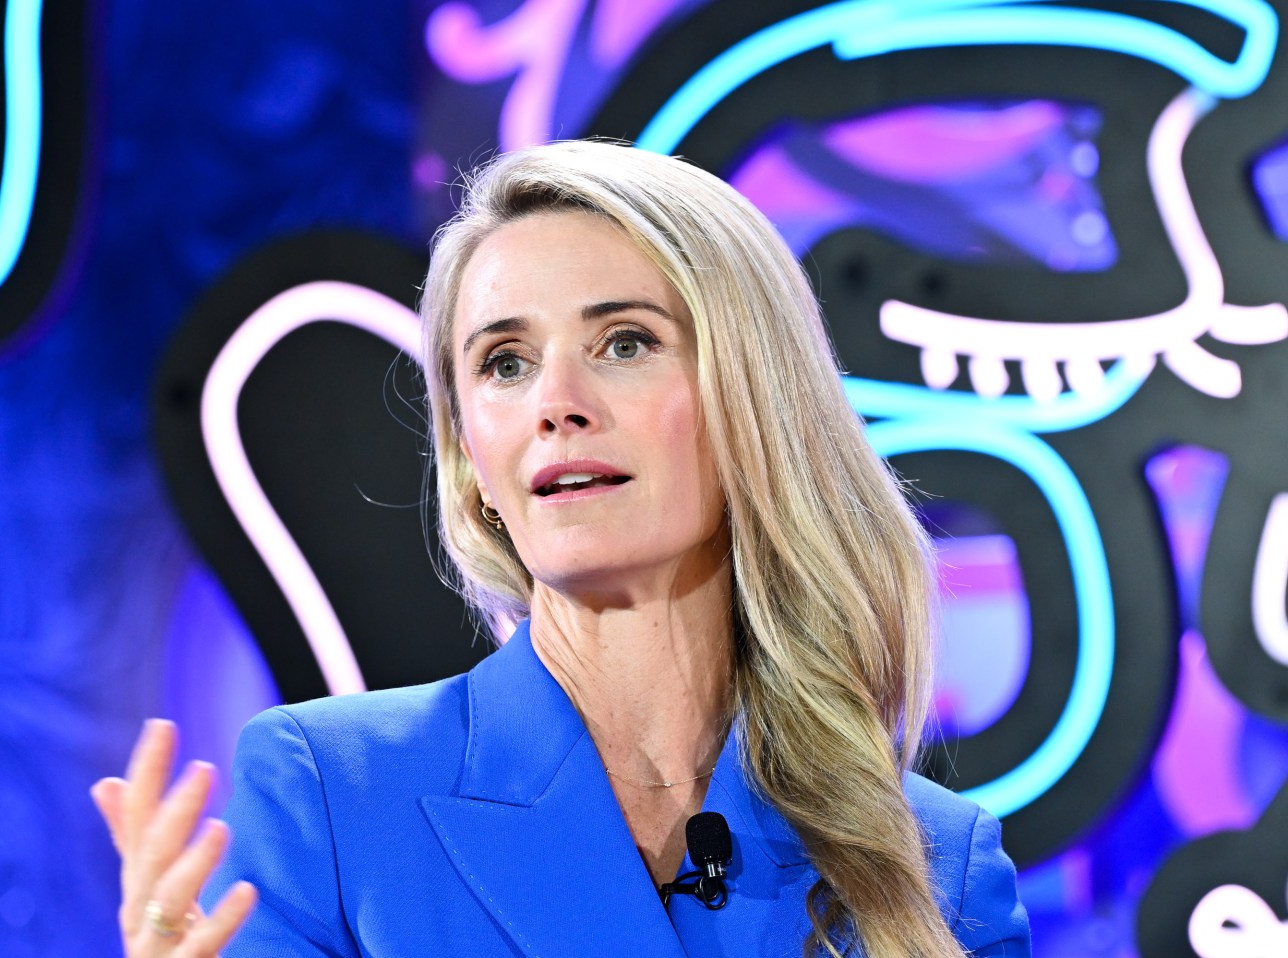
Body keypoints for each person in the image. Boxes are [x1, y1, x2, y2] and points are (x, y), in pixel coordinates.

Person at [92, 139, 1031, 957]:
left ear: (755, 399)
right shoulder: (334, 796)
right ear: (471, 460)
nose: (557, 402)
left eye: (625, 343)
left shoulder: (936, 864)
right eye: (505, 362)